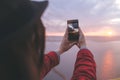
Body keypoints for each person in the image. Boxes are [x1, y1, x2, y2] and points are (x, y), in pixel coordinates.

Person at [0, 0, 96, 80]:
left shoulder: (13, 72)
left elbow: (37, 68)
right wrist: (83, 48)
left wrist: (59, 51)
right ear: (20, 47)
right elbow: (85, 76)